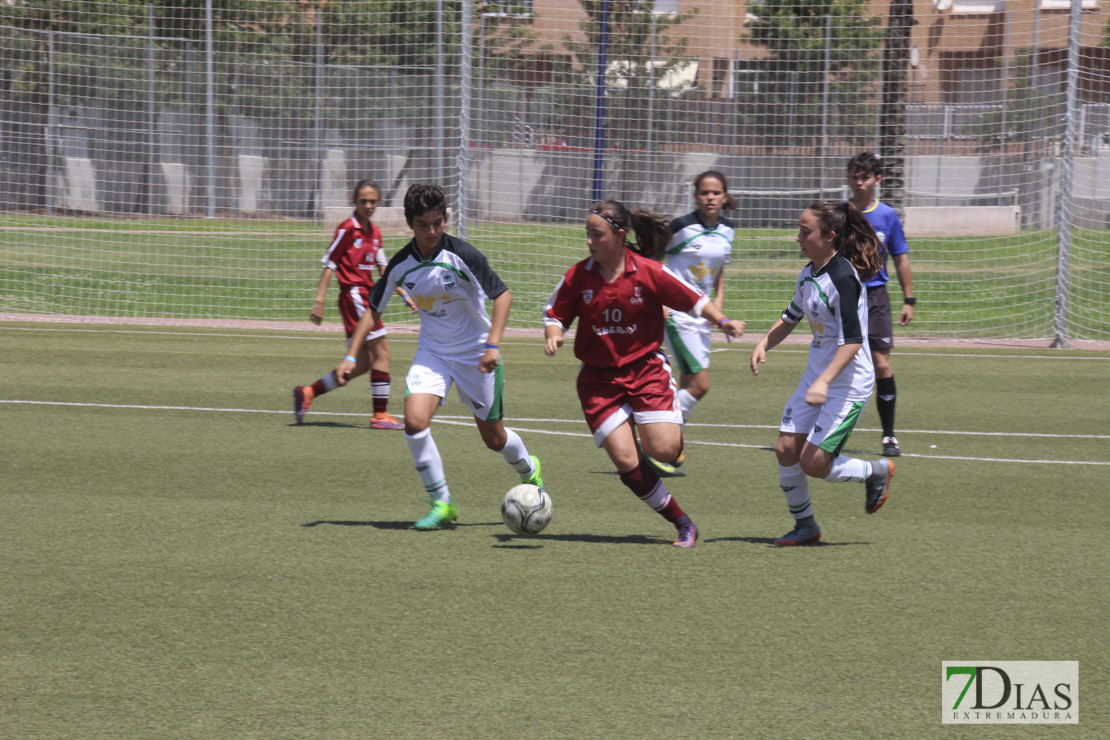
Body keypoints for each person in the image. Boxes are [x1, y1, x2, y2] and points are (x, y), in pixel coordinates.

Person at [335, 183, 543, 530]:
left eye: (438, 222)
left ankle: (528, 469)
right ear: (409, 224)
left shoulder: (463, 255)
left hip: (477, 353)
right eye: (423, 225)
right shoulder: (401, 265)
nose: (432, 231)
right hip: (433, 352)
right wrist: (351, 357)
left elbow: (503, 296)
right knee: (415, 422)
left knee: (494, 440)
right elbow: (372, 310)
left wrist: (493, 345)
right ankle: (442, 503)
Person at [543, 200, 746, 548]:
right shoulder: (579, 276)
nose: (589, 242)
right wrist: (554, 332)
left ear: (620, 236)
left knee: (664, 451)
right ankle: (683, 523)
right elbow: (554, 312)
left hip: (646, 371)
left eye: (597, 235)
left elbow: (693, 299)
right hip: (598, 380)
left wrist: (722, 320)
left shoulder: (649, 271)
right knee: (625, 459)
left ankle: (666, 435)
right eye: (587, 235)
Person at [749, 200, 895, 546]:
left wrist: (825, 381)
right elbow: (790, 317)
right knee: (786, 448)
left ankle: (876, 472)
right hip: (817, 378)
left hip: (846, 383)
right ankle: (806, 527)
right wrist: (763, 344)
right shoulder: (808, 274)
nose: (797, 238)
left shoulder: (844, 277)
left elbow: (853, 342)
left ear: (829, 237)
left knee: (814, 462)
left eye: (805, 231)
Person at [293, 179, 416, 429]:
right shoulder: (347, 229)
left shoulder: (375, 232)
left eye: (372, 201)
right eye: (363, 201)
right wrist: (319, 301)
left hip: (365, 297)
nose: (368, 205)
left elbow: (385, 269)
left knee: (363, 364)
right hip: (355, 296)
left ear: (379, 202)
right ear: (354, 201)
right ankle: (380, 416)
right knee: (383, 353)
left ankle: (308, 392)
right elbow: (329, 264)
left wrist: (404, 293)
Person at [846, 152, 915, 457]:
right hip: (845, 296)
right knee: (839, 364)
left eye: (866, 177)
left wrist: (909, 299)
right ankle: (827, 430)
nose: (860, 183)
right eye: (855, 177)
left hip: (876, 299)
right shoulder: (839, 213)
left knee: (882, 364)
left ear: (877, 180)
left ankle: (888, 436)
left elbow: (900, 257)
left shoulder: (887, 216)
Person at [663, 170, 737, 425]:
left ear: (724, 197)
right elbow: (652, 259)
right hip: (678, 315)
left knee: (687, 383)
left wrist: (718, 308)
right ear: (695, 196)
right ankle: (660, 429)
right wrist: (661, 301)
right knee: (700, 385)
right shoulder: (681, 227)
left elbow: (719, 270)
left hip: (703, 316)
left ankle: (669, 446)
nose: (710, 198)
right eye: (704, 193)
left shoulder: (728, 230)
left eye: (716, 193)